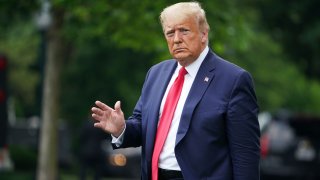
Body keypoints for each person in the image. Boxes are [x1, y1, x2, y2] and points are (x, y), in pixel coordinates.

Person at [91, 2, 260, 180]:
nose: (177, 39)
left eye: (184, 31)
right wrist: (121, 128)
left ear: (204, 34)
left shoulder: (233, 79)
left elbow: (245, 153)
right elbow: (143, 125)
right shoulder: (156, 74)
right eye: (170, 33)